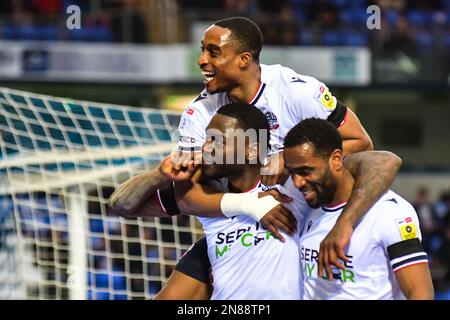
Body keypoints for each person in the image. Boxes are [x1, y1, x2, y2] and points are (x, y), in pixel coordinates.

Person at [110, 17, 395, 278]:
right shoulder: (199, 113)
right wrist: (250, 205)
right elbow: (185, 194)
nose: (201, 60)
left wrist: (287, 159)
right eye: (202, 50)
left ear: (244, 59)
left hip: (304, 225)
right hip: (233, 227)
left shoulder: (295, 91)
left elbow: (361, 144)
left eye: (213, 52)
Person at [283, 118, 434, 299]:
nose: (297, 182)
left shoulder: (389, 212)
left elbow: (420, 292)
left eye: (306, 171)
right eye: (292, 172)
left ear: (336, 159)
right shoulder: (310, 206)